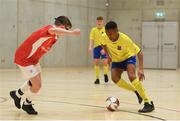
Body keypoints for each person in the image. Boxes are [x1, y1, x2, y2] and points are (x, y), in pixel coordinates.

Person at [9, 16, 80, 115]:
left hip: (33, 60)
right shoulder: (49, 29)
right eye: (67, 28)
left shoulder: (55, 37)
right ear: (62, 26)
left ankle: (17, 94)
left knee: (34, 83)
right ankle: (27, 104)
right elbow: (53, 29)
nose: (67, 31)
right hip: (24, 58)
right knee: (37, 85)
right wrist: (72, 33)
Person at [101, 21, 155, 113]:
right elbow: (103, 44)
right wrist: (108, 56)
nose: (109, 37)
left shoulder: (125, 39)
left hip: (128, 57)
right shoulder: (104, 37)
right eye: (107, 34)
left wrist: (141, 69)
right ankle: (136, 91)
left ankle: (148, 103)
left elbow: (139, 52)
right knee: (115, 79)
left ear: (116, 31)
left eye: (111, 34)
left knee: (132, 76)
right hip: (116, 60)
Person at [89, 16, 109, 84]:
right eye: (98, 21)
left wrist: (105, 48)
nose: (99, 22)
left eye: (100, 21)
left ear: (102, 22)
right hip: (96, 48)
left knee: (105, 62)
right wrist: (90, 47)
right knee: (96, 62)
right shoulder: (93, 30)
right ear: (96, 22)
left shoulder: (105, 29)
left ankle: (105, 74)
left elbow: (108, 40)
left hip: (103, 47)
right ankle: (97, 79)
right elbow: (91, 39)